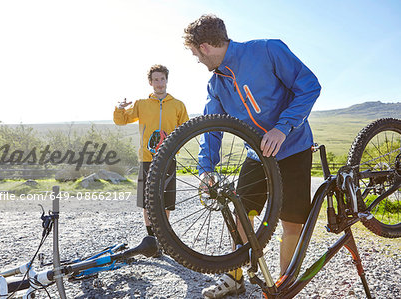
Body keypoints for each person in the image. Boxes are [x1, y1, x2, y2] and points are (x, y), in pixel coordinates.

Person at [183, 15, 321, 298]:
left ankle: (284, 285)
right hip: (257, 156)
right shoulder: (216, 84)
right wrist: (206, 169)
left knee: (291, 223)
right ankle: (235, 277)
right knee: (241, 216)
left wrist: (282, 128)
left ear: (206, 46)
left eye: (195, 52)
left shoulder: (268, 50)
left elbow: (309, 86)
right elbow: (211, 128)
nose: (196, 59)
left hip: (293, 147)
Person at [113, 64, 189, 256]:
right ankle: (151, 242)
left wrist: (175, 148)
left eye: (162, 79)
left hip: (168, 159)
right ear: (150, 82)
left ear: (166, 80)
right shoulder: (141, 104)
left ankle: (163, 240)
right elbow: (121, 120)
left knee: (166, 202)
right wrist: (119, 108)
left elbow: (187, 130)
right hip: (147, 159)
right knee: (148, 201)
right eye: (155, 80)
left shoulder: (178, 105)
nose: (159, 83)